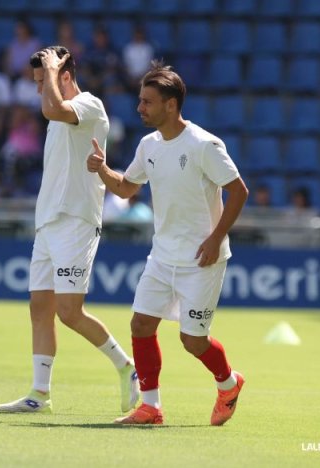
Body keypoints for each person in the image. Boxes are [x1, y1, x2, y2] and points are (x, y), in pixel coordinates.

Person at [87, 62, 249, 425]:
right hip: (162, 255)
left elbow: (238, 192)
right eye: (140, 100)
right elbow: (127, 188)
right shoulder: (148, 146)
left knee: (193, 342)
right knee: (141, 325)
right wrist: (102, 169)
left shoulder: (204, 145)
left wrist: (215, 238)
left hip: (202, 259)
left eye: (147, 102)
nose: (140, 108)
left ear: (171, 105)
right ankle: (151, 406)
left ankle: (228, 383)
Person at [0, 46, 139, 415]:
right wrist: (50, 75)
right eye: (38, 82)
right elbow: (51, 109)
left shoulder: (90, 106)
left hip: (76, 220)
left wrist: (53, 69)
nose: (39, 88)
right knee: (39, 308)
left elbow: (53, 107)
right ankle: (39, 394)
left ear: (65, 75)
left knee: (70, 312)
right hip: (48, 220)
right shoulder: (55, 112)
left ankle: (127, 367)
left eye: (43, 80)